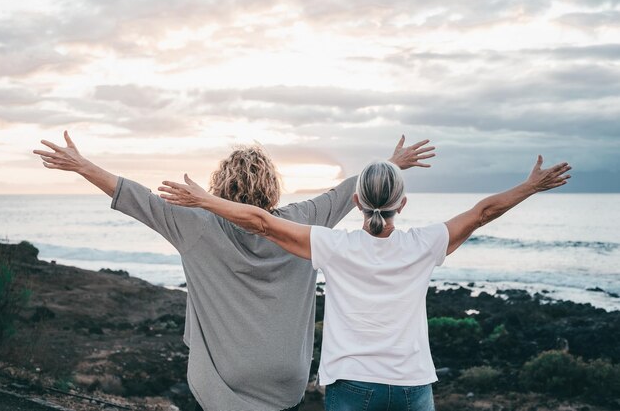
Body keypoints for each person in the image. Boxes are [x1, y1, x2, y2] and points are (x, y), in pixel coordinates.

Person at [33, 131, 436, 411]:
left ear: (219, 185)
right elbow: (346, 194)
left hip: (223, 386)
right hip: (287, 381)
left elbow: (134, 196)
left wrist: (82, 165)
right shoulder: (303, 221)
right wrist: (390, 164)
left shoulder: (194, 223)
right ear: (272, 185)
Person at [158, 156, 571, 411]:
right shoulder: (424, 245)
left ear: (357, 202)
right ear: (402, 204)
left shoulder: (332, 246)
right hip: (413, 386)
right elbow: (482, 212)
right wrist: (531, 186)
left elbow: (263, 223)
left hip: (352, 386)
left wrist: (205, 200)